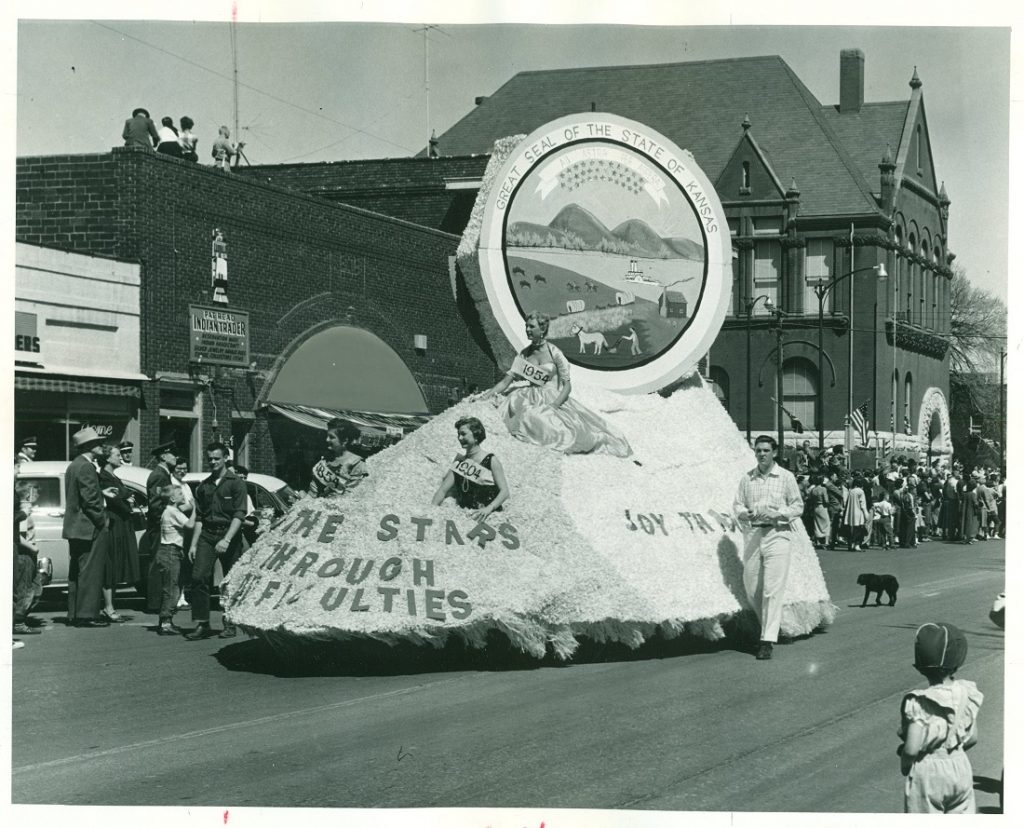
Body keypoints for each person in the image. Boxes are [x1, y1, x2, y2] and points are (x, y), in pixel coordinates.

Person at [478, 312, 632, 457]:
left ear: (543, 329)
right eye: (526, 326)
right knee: (522, 414)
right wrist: (486, 396)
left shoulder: (555, 353)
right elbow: (506, 381)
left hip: (552, 398)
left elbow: (567, 386)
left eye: (532, 326)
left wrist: (554, 405)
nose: (527, 329)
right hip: (528, 396)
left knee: (564, 431)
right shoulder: (524, 354)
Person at [898, 622, 983, 813]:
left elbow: (911, 750)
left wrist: (906, 766)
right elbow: (973, 737)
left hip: (928, 772)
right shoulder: (966, 693)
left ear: (920, 666)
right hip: (960, 767)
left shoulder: (919, 702)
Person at [732, 435, 804, 661]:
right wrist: (745, 513)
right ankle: (769, 628)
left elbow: (798, 505)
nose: (761, 454)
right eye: (758, 450)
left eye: (765, 450)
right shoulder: (747, 479)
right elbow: (737, 504)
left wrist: (778, 513)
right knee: (752, 586)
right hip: (753, 534)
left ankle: (766, 641)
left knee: (772, 589)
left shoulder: (786, 477)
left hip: (777, 534)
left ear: (774, 452)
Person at [185, 442, 247, 641]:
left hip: (229, 535)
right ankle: (202, 623)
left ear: (226, 458)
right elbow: (200, 518)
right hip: (207, 535)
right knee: (198, 577)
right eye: (209, 458)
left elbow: (239, 514)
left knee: (229, 581)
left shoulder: (236, 482)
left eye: (216, 458)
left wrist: (227, 540)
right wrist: (194, 544)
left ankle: (229, 622)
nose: (212, 462)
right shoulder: (204, 485)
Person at [61, 427, 111, 627]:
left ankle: (75, 613)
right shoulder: (86, 467)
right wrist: (102, 521)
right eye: (98, 443)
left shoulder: (74, 465)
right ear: (89, 446)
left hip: (76, 527)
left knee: (78, 571)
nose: (101, 446)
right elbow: (90, 500)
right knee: (90, 572)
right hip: (89, 527)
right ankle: (86, 615)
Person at [432, 416, 510, 523]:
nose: (459, 438)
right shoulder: (459, 463)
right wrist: (432, 510)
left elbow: (505, 492)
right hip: (466, 518)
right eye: (458, 434)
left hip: (489, 517)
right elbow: (442, 490)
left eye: (463, 434)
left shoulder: (491, 460)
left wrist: (489, 509)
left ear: (476, 435)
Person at [98, 444, 140, 622]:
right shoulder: (105, 477)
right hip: (114, 525)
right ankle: (108, 607)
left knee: (114, 566)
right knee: (110, 565)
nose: (119, 457)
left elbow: (122, 495)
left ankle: (110, 605)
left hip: (120, 524)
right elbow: (117, 500)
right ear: (108, 458)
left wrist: (126, 497)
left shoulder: (112, 476)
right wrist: (128, 502)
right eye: (116, 454)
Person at [148, 483, 195, 635]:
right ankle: (166, 622)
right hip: (170, 551)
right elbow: (190, 525)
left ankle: (167, 620)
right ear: (173, 498)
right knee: (171, 588)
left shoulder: (169, 511)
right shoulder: (173, 511)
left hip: (168, 552)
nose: (184, 497)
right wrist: (195, 510)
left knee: (173, 586)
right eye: (180, 494)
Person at [309, 420, 368, 498]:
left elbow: (350, 497)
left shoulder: (357, 464)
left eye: (331, 437)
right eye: (327, 436)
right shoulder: (327, 457)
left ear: (344, 441)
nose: (327, 440)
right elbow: (314, 487)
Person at [843, 474, 870, 551]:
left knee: (851, 529)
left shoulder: (851, 491)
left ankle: (851, 544)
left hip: (850, 512)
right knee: (859, 530)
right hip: (859, 512)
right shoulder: (861, 491)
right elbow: (863, 504)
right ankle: (857, 545)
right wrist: (866, 514)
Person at [807, 473, 830, 549]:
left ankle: (818, 541)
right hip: (822, 507)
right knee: (826, 523)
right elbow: (826, 500)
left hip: (815, 507)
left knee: (817, 524)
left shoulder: (813, 490)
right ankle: (826, 541)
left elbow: (810, 499)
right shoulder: (823, 489)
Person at [959, 475, 981, 545]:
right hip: (971, 510)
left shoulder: (964, 494)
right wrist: (979, 505)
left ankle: (964, 537)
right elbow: (975, 503)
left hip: (964, 509)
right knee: (971, 523)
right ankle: (969, 538)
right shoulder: (973, 494)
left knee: (964, 523)